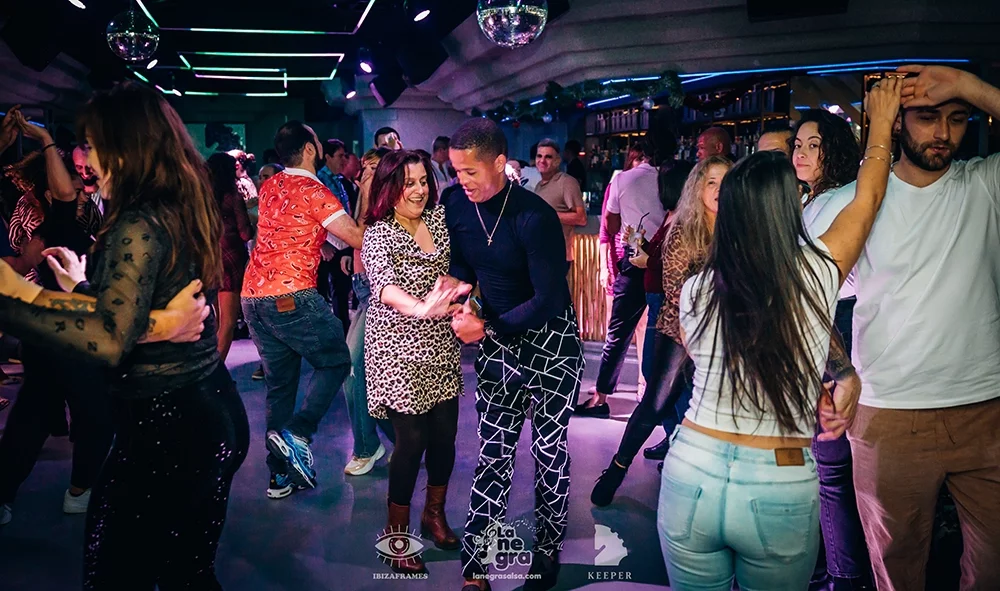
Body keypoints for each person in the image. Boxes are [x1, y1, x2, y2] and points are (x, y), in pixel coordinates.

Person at [0, 81, 250, 588]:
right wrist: (87, 288)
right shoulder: (180, 203)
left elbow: (111, 336)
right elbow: (143, 306)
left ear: (125, 146)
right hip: (205, 412)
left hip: (170, 427)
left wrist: (13, 297)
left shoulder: (136, 222)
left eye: (92, 145)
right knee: (184, 573)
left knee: (117, 574)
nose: (85, 161)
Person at [657, 78, 902, 591]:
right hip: (777, 479)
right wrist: (880, 125)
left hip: (691, 466)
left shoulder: (698, 289)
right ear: (790, 210)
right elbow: (870, 195)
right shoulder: (817, 271)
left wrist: (833, 371)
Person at [804, 65, 1000, 590]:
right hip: (889, 416)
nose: (943, 133)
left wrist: (967, 85)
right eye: (928, 117)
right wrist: (840, 371)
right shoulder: (852, 201)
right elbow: (806, 297)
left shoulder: (985, 183)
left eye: (957, 118)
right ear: (894, 120)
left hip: (986, 411)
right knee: (897, 570)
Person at [446, 118, 584, 591]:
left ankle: (546, 553)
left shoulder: (534, 216)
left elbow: (549, 299)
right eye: (457, 171)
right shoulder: (457, 205)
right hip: (499, 344)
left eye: (470, 172)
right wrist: (456, 292)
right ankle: (476, 565)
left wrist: (486, 327)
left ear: (500, 164)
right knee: (493, 453)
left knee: (549, 453)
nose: (462, 181)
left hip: (551, 344)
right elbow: (465, 264)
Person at [591, 157, 727, 507]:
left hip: (721, 335)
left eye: (724, 182)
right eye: (711, 182)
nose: (718, 189)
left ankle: (701, 481)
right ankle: (617, 467)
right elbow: (676, 292)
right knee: (655, 403)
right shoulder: (684, 229)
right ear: (697, 187)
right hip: (680, 331)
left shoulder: (736, 230)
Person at [362, 150, 471, 574]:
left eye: (424, 181)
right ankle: (396, 534)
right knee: (411, 442)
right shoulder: (379, 233)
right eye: (409, 183)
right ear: (390, 187)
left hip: (440, 344)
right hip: (396, 348)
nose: (419, 190)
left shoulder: (440, 220)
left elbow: (465, 264)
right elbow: (385, 288)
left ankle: (434, 514)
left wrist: (461, 291)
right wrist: (421, 307)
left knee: (445, 437)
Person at [0, 110, 112, 521]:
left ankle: (5, 496)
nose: (80, 190)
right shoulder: (58, 223)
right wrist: (45, 139)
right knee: (91, 415)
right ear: (51, 191)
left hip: (46, 333)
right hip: (71, 334)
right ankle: (79, 490)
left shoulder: (71, 225)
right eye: (74, 184)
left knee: (33, 417)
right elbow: (65, 196)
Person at [241, 120, 363, 498]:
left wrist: (321, 244)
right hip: (290, 294)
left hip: (253, 297)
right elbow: (355, 236)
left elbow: (286, 229)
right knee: (335, 360)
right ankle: (298, 433)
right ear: (309, 149)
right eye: (318, 141)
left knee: (280, 387)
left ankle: (279, 476)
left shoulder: (271, 185)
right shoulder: (314, 189)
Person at [792, 109, 872, 591]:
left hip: (834, 324)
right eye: (797, 145)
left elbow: (819, 278)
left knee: (830, 465)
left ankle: (844, 575)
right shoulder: (814, 198)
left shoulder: (842, 197)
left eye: (813, 145)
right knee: (822, 465)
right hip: (820, 323)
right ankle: (830, 567)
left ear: (834, 150)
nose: (800, 153)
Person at [577, 140, 661, 418]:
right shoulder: (671, 178)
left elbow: (609, 225)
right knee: (659, 332)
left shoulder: (622, 180)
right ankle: (654, 399)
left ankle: (601, 398)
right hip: (664, 259)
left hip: (633, 257)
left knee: (619, 332)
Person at [343, 147, 395, 476]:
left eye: (374, 169)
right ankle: (405, 439)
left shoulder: (389, 206)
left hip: (379, 292)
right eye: (364, 168)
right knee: (366, 374)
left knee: (352, 366)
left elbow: (364, 237)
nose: (366, 174)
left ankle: (367, 446)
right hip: (363, 288)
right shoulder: (365, 198)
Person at [207, 153, 254, 363]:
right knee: (228, 323)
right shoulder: (232, 196)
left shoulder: (203, 197)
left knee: (216, 321)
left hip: (210, 257)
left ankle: (210, 368)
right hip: (231, 257)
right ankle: (215, 373)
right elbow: (245, 233)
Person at [533, 139, 587, 280]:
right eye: (539, 156)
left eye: (548, 157)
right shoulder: (539, 185)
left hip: (557, 256)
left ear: (557, 161)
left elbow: (581, 218)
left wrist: (548, 214)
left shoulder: (567, 182)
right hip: (540, 255)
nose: (542, 161)